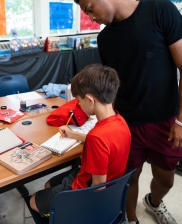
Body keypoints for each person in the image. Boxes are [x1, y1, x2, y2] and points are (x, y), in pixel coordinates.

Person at [74, 0, 182, 224]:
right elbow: (112, 88)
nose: (92, 18)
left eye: (90, 9)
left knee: (166, 178)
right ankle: (131, 220)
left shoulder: (160, 10)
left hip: (167, 119)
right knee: (128, 179)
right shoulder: (104, 38)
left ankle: (153, 202)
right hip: (127, 124)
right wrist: (105, 125)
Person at [29, 63, 131, 217]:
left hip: (82, 191)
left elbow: (98, 186)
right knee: (48, 184)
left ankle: (62, 216)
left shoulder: (97, 137)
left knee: (33, 200)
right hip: (111, 188)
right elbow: (106, 144)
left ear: (90, 100)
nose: (77, 104)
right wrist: (75, 134)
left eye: (78, 100)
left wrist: (81, 211)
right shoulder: (120, 122)